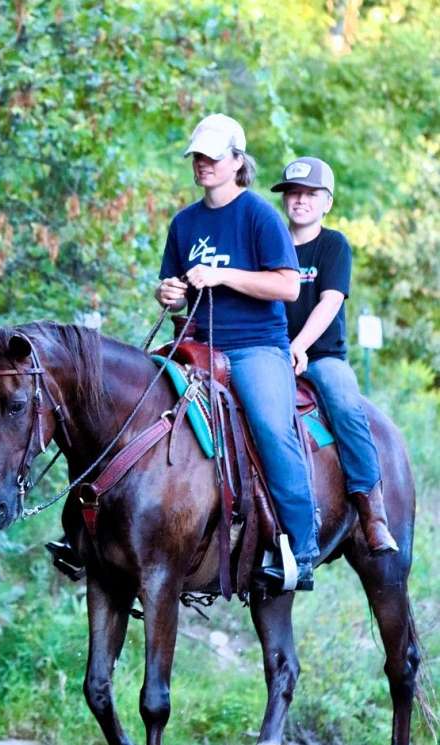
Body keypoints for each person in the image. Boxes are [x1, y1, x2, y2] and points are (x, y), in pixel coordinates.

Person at [156, 114, 319, 589]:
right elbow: (177, 288)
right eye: (198, 157)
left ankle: (301, 549)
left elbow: (288, 286)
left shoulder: (259, 215)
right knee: (137, 407)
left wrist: (223, 275)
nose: (203, 164)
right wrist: (169, 293)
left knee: (271, 425)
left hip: (254, 345)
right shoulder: (184, 222)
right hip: (193, 344)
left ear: (236, 161)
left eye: (213, 156)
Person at [271, 156, 398, 554]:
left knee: (345, 404)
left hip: (321, 355)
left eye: (310, 194)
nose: (300, 201)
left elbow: (329, 303)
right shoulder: (270, 242)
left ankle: (370, 507)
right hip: (268, 352)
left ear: (327, 201)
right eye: (293, 193)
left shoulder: (333, 245)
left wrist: (301, 346)